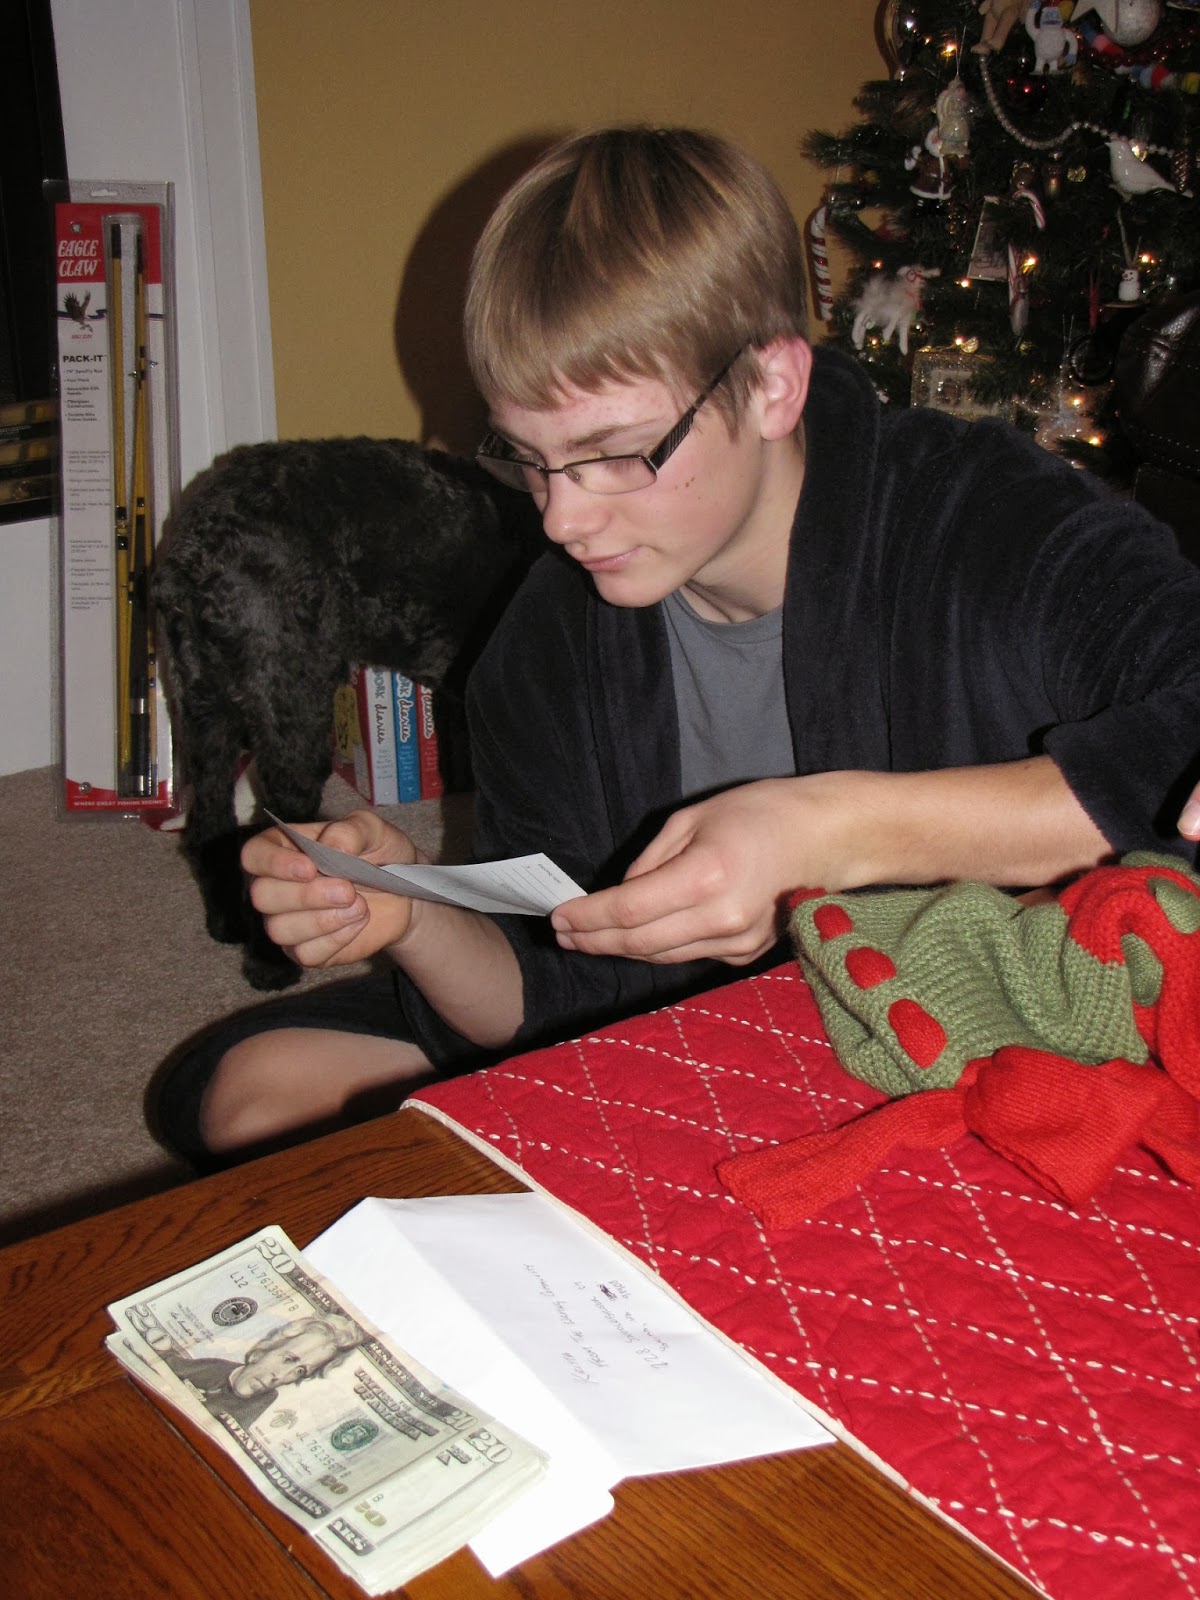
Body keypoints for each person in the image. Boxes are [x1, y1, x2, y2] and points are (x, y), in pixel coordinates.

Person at [150, 125, 1200, 1169]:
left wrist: (835, 831)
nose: (562, 518)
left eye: (615, 454)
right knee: (238, 1095)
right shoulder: (550, 643)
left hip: (970, 1032)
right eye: (529, 457)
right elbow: (558, 997)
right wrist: (414, 916)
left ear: (773, 385)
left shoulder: (981, 516)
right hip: (690, 1043)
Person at [162, 1313, 365, 1430]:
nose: (281, 1376)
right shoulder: (214, 1368)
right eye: (288, 1359)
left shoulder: (262, 1405)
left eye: (300, 1371)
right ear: (261, 1351)